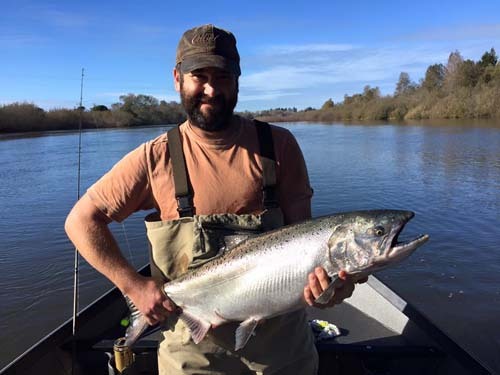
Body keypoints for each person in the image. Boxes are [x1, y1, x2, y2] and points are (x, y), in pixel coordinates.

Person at [65, 24, 362, 375]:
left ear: (237, 79)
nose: (210, 89)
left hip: (282, 347)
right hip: (192, 350)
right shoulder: (155, 158)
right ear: (178, 79)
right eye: (198, 76)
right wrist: (135, 287)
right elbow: (80, 221)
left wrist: (328, 291)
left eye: (221, 76)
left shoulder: (279, 147)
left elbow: (306, 248)